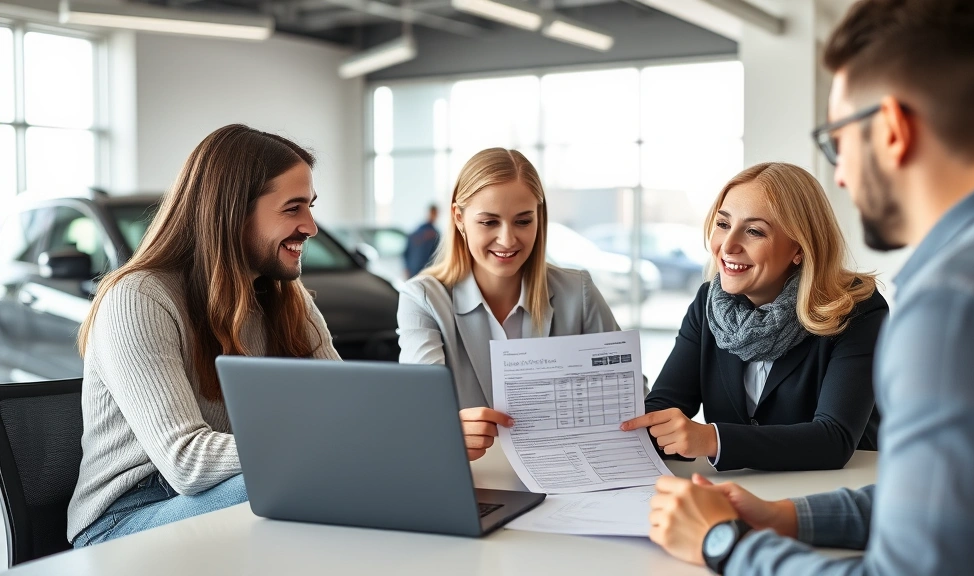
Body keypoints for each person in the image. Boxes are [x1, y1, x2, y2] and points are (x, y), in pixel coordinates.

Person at [647, 0, 974, 574]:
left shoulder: (956, 303)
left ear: (893, 130)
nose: (842, 175)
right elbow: (939, 506)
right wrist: (787, 518)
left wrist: (723, 544)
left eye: (837, 142)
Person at [67, 125, 340, 547]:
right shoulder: (139, 298)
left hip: (235, 491)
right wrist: (318, 446)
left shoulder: (287, 297)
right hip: (124, 521)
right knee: (300, 485)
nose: (311, 226)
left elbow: (344, 406)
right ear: (233, 212)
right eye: (292, 209)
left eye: (310, 207)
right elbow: (185, 462)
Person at [622, 163, 887, 472]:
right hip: (735, 492)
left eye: (754, 231)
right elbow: (663, 408)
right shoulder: (708, 303)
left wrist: (712, 440)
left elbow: (834, 439)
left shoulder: (856, 307)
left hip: (836, 496)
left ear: (798, 248)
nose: (728, 245)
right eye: (723, 224)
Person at [397, 147, 620, 462]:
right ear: (459, 219)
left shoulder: (577, 292)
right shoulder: (423, 299)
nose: (507, 239)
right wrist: (447, 429)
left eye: (523, 221)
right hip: (475, 480)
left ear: (538, 219)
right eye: (489, 222)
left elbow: (627, 395)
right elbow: (421, 412)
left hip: (565, 478)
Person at [403, 204, 441, 277]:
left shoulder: (435, 233)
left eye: (435, 214)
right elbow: (406, 252)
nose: (434, 216)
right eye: (433, 213)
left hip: (425, 271)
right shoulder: (419, 231)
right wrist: (407, 267)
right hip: (416, 270)